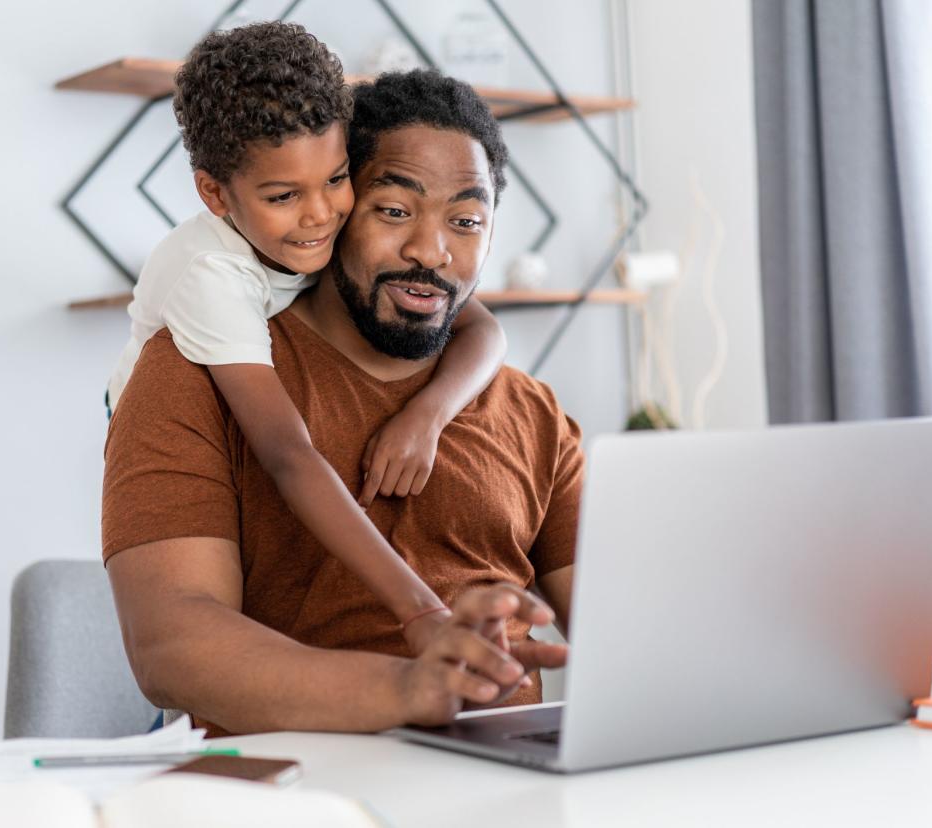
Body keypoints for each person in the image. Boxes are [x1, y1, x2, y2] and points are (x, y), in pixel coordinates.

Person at [103, 69, 582, 737]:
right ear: (339, 204)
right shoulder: (195, 369)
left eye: (467, 220)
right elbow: (170, 648)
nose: (430, 251)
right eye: (393, 210)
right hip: (298, 792)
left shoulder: (528, 410)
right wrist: (411, 688)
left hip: (512, 787)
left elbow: (629, 629)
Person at [105, 22, 508, 653]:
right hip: (168, 436)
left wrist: (428, 415)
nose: (320, 214)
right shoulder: (212, 278)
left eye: (337, 178)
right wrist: (421, 611)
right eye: (285, 194)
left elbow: (483, 327)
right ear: (214, 193)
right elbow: (289, 455)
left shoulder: (319, 239)